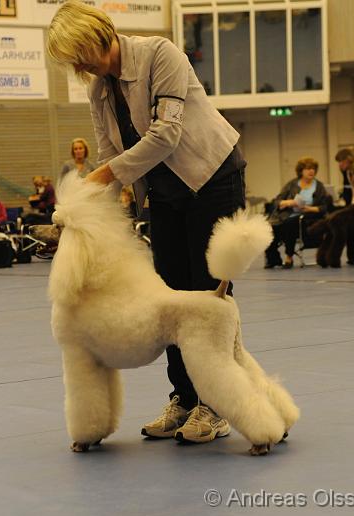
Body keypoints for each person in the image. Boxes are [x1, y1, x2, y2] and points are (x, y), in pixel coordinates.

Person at [47, 0, 246, 444]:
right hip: (165, 194)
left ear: (99, 34)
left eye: (80, 54)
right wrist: (94, 208)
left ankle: (215, 404)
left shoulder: (161, 55)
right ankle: (185, 397)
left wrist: (105, 175)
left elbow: (166, 134)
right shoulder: (99, 89)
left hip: (212, 178)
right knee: (167, 295)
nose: (79, 65)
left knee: (206, 293)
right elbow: (106, 153)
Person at [265, 157, 332, 269]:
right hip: (287, 215)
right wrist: (288, 202)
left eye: (313, 169)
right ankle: (273, 259)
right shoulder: (292, 184)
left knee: (289, 224)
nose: (311, 171)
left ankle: (289, 257)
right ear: (301, 171)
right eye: (308, 168)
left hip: (308, 218)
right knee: (270, 227)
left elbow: (324, 207)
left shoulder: (319, 186)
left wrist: (309, 209)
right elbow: (277, 201)